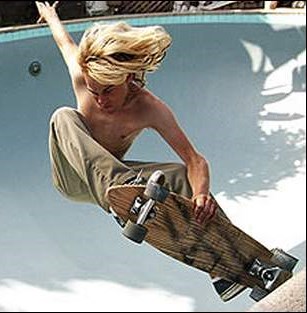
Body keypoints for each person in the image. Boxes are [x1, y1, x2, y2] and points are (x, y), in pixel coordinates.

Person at [35, 1, 246, 301]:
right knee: (63, 116)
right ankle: (123, 195)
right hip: (72, 177)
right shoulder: (84, 78)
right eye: (94, 92)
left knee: (179, 175)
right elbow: (64, 42)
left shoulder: (150, 108)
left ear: (129, 78)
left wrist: (200, 194)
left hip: (116, 180)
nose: (100, 100)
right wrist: (51, 15)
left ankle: (229, 261)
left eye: (108, 91)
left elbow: (194, 159)